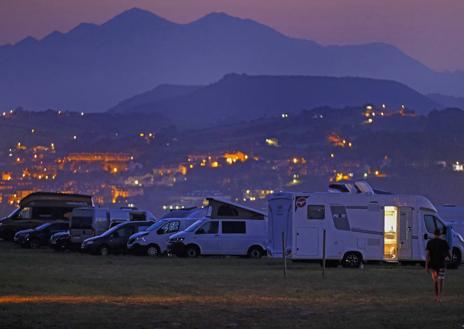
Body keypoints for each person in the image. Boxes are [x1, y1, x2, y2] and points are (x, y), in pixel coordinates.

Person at [425, 228, 451, 302]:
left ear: (434, 234)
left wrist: (426, 266)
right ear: (440, 234)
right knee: (441, 281)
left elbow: (428, 255)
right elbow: (449, 253)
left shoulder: (430, 242)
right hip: (441, 264)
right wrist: (450, 259)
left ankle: (436, 297)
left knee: (436, 281)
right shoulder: (444, 242)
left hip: (433, 264)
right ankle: (439, 297)